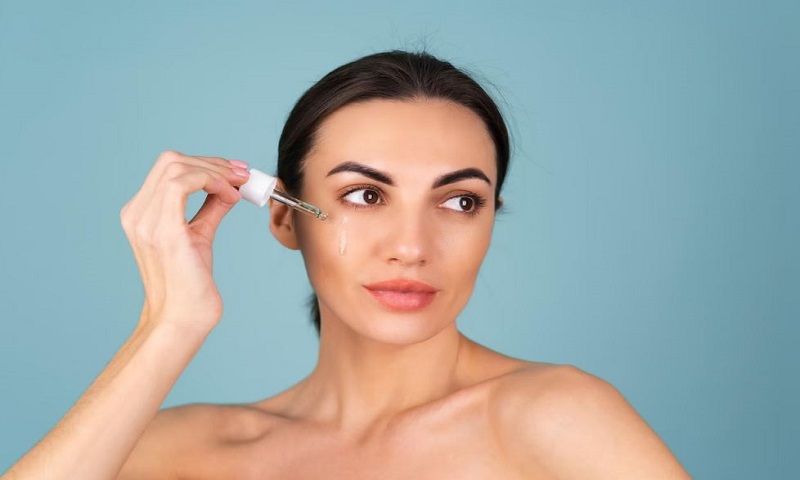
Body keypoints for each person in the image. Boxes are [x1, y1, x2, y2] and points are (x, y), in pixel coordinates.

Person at [3, 50, 691, 479]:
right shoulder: (182, 452)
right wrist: (168, 327)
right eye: (365, 195)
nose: (412, 246)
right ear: (285, 217)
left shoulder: (555, 417)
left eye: (459, 202)